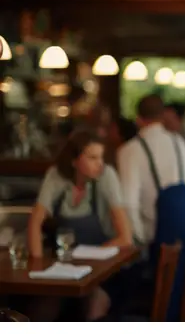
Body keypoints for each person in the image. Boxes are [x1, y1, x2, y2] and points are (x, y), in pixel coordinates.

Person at [27, 129, 133, 321]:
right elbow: (35, 222)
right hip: (66, 268)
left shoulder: (106, 176)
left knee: (94, 305)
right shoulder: (56, 175)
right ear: (74, 160)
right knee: (44, 306)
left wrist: (92, 260)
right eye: (92, 157)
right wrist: (38, 267)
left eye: (101, 157)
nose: (99, 164)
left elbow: (125, 238)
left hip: (105, 270)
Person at [117, 94, 185, 321]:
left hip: (161, 239)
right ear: (162, 115)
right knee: (183, 300)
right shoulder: (180, 142)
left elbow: (128, 203)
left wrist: (139, 242)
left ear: (138, 119)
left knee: (121, 288)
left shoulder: (131, 150)